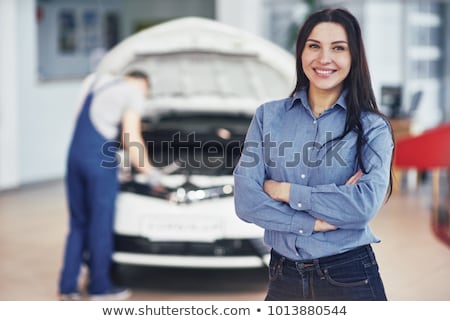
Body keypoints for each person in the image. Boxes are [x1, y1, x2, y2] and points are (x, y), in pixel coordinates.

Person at [233, 8, 394, 301]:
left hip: (350, 275)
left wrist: (282, 190)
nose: (324, 59)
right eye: (314, 46)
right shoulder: (268, 116)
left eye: (338, 48)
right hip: (283, 276)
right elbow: (246, 202)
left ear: (353, 57)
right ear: (301, 52)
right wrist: (314, 221)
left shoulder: (373, 128)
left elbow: (363, 207)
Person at [58, 70, 160, 300]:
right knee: (100, 225)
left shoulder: (95, 81)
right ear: (143, 85)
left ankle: (67, 287)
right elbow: (131, 138)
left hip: (74, 157)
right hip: (99, 162)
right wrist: (152, 174)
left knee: (77, 223)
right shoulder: (134, 92)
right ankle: (100, 288)